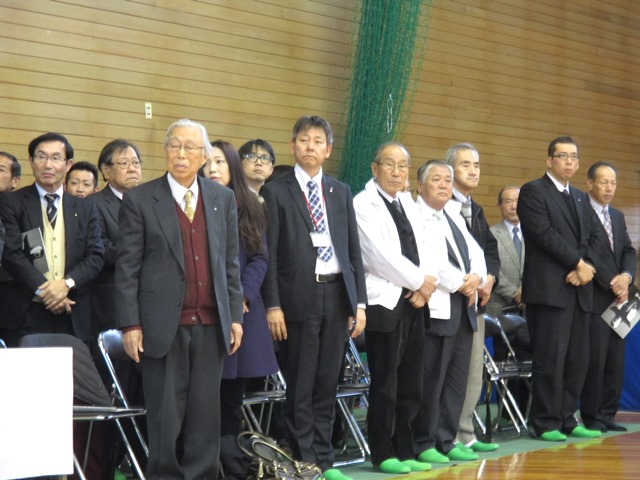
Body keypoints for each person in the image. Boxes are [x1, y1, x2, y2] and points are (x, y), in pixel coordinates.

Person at [115, 119, 243, 479]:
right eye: (175, 145)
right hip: (161, 327)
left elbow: (229, 264)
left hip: (211, 326)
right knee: (165, 419)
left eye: (190, 147)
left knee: (205, 417)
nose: (181, 154)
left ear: (204, 156)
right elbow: (127, 268)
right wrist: (130, 324)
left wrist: (235, 317)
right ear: (165, 151)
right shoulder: (141, 199)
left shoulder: (222, 198)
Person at [261, 115, 367, 480]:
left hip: (336, 296)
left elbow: (353, 253)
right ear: (292, 146)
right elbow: (270, 255)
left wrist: (358, 303)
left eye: (318, 141)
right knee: (301, 383)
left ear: (328, 150)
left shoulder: (340, 191)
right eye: (304, 140)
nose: (311, 146)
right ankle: (306, 460)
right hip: (297, 298)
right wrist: (273, 304)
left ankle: (325, 458)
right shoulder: (276, 192)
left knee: (327, 382)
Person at [353, 143, 438, 475]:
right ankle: (382, 451)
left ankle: (405, 447)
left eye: (403, 165)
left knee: (411, 382)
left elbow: (427, 245)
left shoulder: (407, 202)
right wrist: (419, 282)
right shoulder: (363, 204)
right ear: (375, 169)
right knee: (385, 382)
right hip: (385, 302)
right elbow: (377, 256)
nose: (397, 171)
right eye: (389, 164)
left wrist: (424, 287)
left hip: (415, 302)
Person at [517, 135, 605, 441]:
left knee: (577, 360)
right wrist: (577, 263)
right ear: (549, 160)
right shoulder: (533, 191)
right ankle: (546, 422)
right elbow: (543, 235)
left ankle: (568, 417)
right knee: (550, 359)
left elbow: (596, 237)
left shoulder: (580, 197)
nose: (569, 161)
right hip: (548, 291)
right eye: (562, 156)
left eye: (574, 157)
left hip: (579, 291)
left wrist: (586, 267)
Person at [203, 139, 278, 477]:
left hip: (241, 311)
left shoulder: (249, 206)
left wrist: (243, 295)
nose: (212, 168)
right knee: (203, 398)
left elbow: (259, 257)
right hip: (204, 312)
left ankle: (231, 466)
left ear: (232, 166)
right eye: (208, 162)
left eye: (219, 162)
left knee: (232, 398)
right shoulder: (193, 203)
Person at [413, 160, 486, 463]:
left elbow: (477, 252)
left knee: (456, 379)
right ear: (420, 185)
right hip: (439, 304)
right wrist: (463, 283)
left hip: (464, 305)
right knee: (432, 379)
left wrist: (477, 277)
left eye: (447, 179)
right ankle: (424, 441)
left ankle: (447, 438)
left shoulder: (452, 215)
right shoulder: (416, 215)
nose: (444, 185)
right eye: (436, 179)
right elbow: (429, 260)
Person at [0, 132, 103, 346]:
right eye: (41, 156)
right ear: (31, 161)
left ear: (67, 164)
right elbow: (11, 253)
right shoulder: (12, 202)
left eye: (56, 158)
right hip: (26, 311)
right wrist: (48, 291)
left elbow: (95, 256)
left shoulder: (86, 207)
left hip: (72, 310)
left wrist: (66, 285)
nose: (48, 164)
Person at [445, 143, 500, 453]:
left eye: (476, 164)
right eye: (465, 164)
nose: (473, 170)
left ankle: (465, 432)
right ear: (450, 169)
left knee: (472, 372)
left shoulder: (475, 208)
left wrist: (489, 277)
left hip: (476, 301)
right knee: (452, 372)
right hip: (452, 300)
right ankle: (446, 434)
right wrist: (469, 281)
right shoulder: (441, 204)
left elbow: (489, 250)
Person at [580, 161, 636, 432]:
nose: (609, 188)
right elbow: (586, 253)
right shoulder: (581, 212)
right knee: (596, 360)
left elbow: (627, 250)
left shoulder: (617, 215)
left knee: (615, 360)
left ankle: (608, 413)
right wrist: (611, 282)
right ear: (590, 183)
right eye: (603, 182)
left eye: (613, 183)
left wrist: (626, 277)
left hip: (621, 299)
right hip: (595, 296)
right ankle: (592, 416)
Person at [91, 139, 143, 336]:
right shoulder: (93, 204)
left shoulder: (152, 203)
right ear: (106, 171)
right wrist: (147, 251)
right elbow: (102, 250)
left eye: (136, 163)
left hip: (150, 299)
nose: (132, 169)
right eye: (124, 163)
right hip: (112, 300)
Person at [486, 186, 524, 318]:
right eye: (508, 201)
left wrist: (528, 291)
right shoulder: (490, 234)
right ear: (499, 205)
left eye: (518, 201)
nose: (514, 206)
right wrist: (515, 294)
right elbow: (490, 268)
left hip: (531, 307)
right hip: (498, 308)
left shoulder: (535, 234)